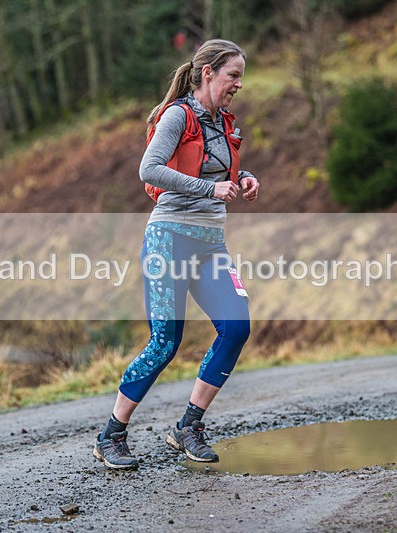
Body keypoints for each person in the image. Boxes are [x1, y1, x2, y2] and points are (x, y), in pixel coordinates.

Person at [92, 39, 259, 470]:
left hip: (211, 243)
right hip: (169, 238)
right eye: (233, 75)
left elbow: (219, 173)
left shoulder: (226, 124)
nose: (239, 84)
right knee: (166, 341)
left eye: (241, 77)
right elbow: (149, 169)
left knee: (236, 326)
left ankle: (189, 425)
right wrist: (210, 188)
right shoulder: (177, 115)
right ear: (207, 72)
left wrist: (244, 180)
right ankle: (112, 434)